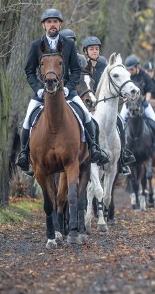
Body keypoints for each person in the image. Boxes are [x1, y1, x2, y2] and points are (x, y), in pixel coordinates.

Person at [15, 9, 109, 176]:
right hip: (42, 92)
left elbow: (75, 70)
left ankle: (94, 149)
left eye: (55, 21)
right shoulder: (36, 45)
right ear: (44, 25)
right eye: (49, 21)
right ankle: (24, 154)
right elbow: (29, 71)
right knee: (28, 119)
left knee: (87, 117)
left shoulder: (69, 44)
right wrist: (38, 89)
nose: (52, 24)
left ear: (60, 24)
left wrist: (69, 87)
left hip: (67, 91)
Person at [82, 35, 135, 176]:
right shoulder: (82, 65)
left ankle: (122, 157)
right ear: (85, 51)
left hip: (102, 105)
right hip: (87, 104)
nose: (95, 51)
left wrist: (121, 92)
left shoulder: (105, 65)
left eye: (97, 49)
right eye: (91, 49)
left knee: (120, 123)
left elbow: (112, 84)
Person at [121, 55, 155, 155]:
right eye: (128, 69)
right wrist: (126, 100)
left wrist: (147, 100)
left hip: (143, 104)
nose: (129, 71)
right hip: (129, 104)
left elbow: (150, 89)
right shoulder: (126, 76)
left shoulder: (144, 76)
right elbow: (122, 91)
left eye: (131, 69)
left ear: (137, 67)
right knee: (120, 122)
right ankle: (120, 149)